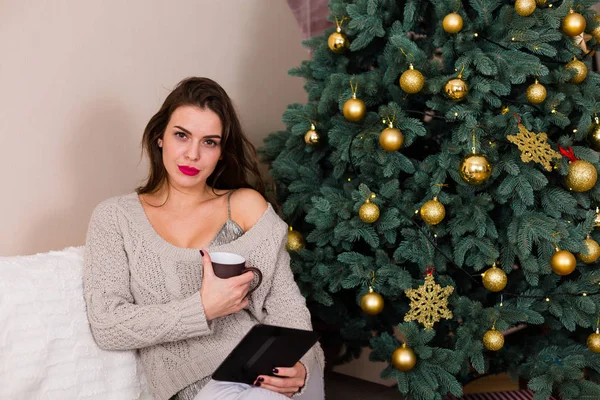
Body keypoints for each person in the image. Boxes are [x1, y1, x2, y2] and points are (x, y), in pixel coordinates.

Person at [83, 77, 325, 400]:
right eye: (181, 136)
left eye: (209, 142)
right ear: (159, 138)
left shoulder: (245, 206)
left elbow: (289, 310)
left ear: (222, 152)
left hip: (265, 374)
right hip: (200, 388)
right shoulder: (115, 218)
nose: (192, 154)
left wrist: (304, 369)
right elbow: (107, 323)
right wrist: (202, 308)